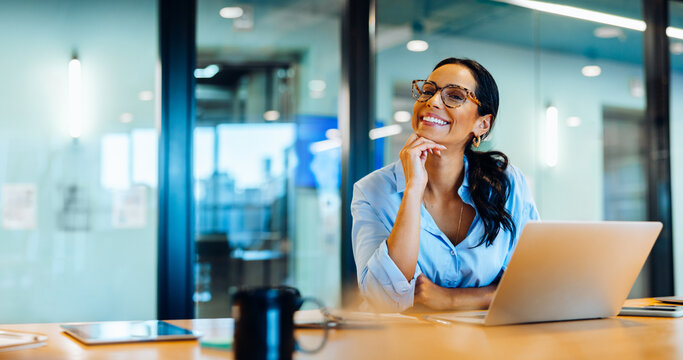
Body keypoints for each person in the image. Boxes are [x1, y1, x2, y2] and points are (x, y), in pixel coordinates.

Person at [351, 57, 539, 312]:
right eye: (428, 91)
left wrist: (450, 299)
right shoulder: (372, 191)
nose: (432, 101)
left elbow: (533, 282)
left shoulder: (507, 183)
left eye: (454, 96)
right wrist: (413, 190)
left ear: (481, 124)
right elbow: (382, 300)